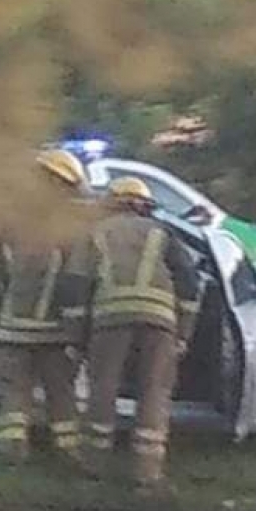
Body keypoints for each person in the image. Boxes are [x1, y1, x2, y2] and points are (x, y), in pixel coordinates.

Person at [61, 176, 201, 492]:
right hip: (160, 324)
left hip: (110, 320)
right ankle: (147, 474)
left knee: (103, 389)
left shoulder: (94, 234)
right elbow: (189, 281)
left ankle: (93, 467)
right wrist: (184, 333)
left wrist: (76, 339)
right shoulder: (163, 233)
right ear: (144, 205)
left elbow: (76, 286)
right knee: (154, 392)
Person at [0, 149, 91, 464]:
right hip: (55, 332)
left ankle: (12, 451)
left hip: (14, 326)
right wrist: (77, 329)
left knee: (16, 392)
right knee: (61, 393)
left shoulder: (11, 218)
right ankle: (68, 450)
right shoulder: (68, 227)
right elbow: (78, 279)